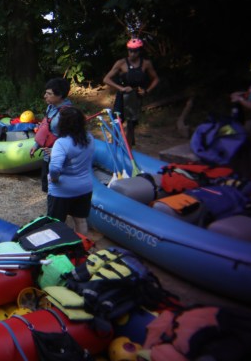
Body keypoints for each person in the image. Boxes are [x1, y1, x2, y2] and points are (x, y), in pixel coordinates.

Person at [47, 107, 95, 235]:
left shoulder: (61, 143)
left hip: (62, 190)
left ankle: (57, 251)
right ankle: (80, 249)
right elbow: (79, 155)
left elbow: (55, 167)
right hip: (84, 187)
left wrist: (54, 178)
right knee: (81, 221)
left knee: (55, 224)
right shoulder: (89, 138)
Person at [103, 38, 159, 146]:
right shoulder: (121, 63)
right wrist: (120, 88)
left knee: (131, 124)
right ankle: (115, 146)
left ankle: (129, 149)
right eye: (130, 51)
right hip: (122, 95)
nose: (132, 54)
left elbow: (156, 79)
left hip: (135, 96)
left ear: (140, 51)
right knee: (117, 121)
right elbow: (106, 79)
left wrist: (146, 91)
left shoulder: (146, 64)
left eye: (135, 51)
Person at [29, 78, 72, 193]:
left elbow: (71, 139)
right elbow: (45, 127)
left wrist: (56, 151)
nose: (45, 96)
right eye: (46, 93)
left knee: (57, 187)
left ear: (60, 95)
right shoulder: (51, 107)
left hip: (59, 157)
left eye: (49, 94)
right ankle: (50, 206)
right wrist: (36, 145)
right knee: (46, 184)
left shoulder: (68, 114)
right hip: (47, 155)